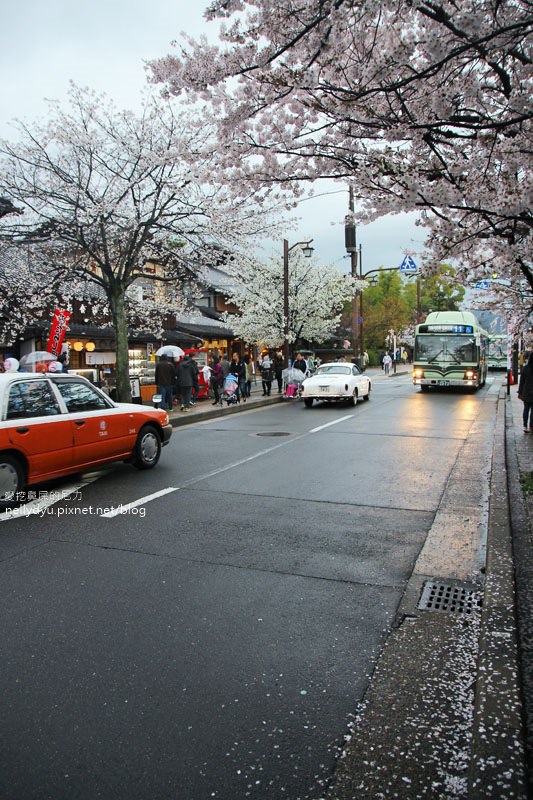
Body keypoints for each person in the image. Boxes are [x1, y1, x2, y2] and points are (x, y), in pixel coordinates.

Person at [518, 352, 533, 432]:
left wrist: (520, 392)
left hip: (526, 392)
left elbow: (522, 382)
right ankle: (531, 426)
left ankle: (524, 425)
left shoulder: (525, 368)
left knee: (526, 409)